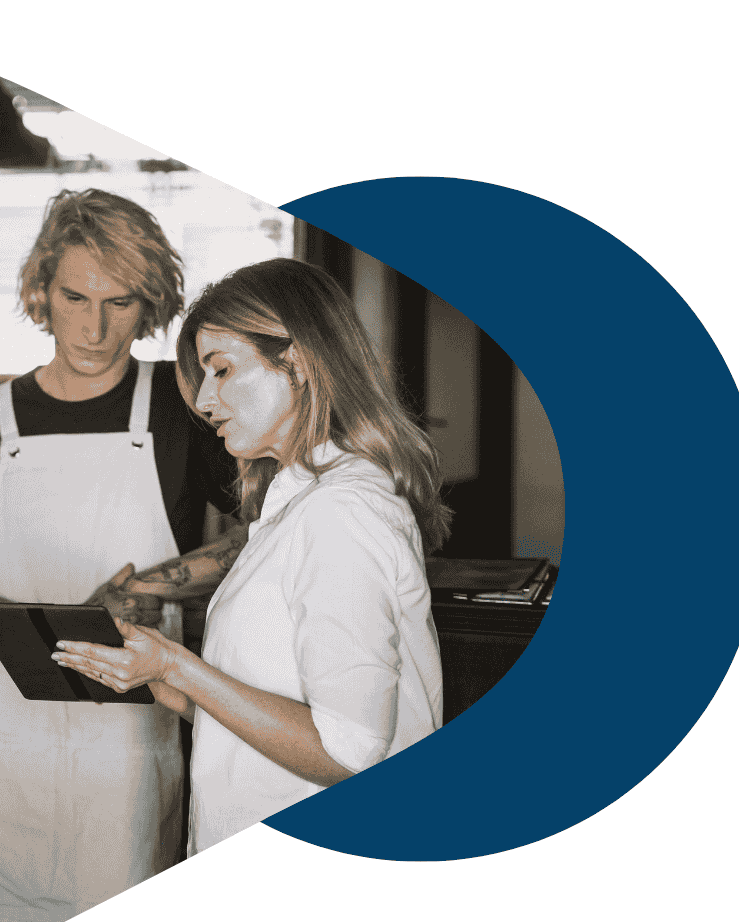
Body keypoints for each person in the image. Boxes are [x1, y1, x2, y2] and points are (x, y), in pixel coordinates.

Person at [0, 189, 245, 922]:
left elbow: (259, 540)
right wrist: (63, 629)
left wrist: (143, 589)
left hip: (128, 737)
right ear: (39, 292)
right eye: (73, 297)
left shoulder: (185, 408)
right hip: (5, 737)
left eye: (119, 302)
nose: (93, 329)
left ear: (150, 303)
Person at [52, 257, 450, 853]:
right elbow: (255, 718)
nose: (205, 401)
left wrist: (179, 666)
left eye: (222, 371)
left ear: (300, 362)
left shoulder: (339, 514)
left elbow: (348, 751)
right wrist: (156, 678)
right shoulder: (295, 503)